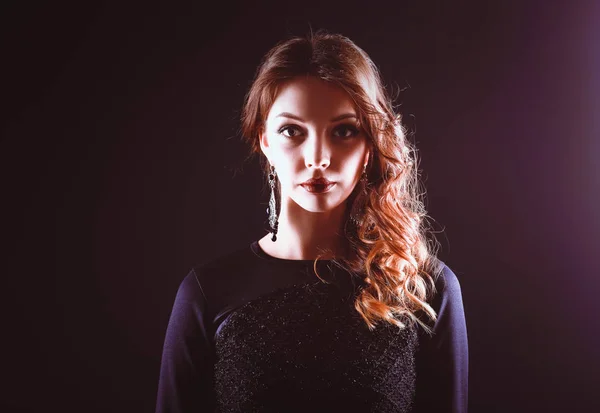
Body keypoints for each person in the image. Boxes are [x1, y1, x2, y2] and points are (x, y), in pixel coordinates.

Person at [155, 29, 468, 413]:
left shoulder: (425, 289)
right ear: (264, 142)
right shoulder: (207, 293)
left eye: (344, 131)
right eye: (292, 131)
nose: (318, 156)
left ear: (370, 145)